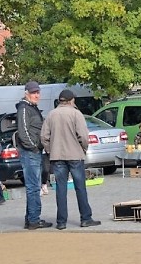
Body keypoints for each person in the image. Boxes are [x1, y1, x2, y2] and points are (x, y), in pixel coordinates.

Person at [40, 89, 100, 229]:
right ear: (71, 100)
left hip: (57, 156)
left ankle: (61, 222)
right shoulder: (75, 114)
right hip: (75, 155)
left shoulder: (51, 114)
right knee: (80, 187)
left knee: (60, 188)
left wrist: (50, 150)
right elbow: (84, 136)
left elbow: (44, 137)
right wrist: (83, 149)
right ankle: (86, 218)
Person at [15, 80, 51, 229]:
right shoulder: (24, 109)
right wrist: (34, 147)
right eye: (33, 93)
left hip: (34, 152)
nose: (36, 95)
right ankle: (34, 220)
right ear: (26, 94)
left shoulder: (32, 108)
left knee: (34, 187)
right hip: (30, 153)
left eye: (37, 92)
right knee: (33, 187)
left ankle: (30, 219)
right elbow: (23, 132)